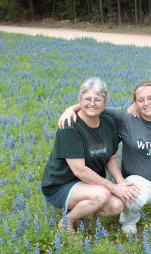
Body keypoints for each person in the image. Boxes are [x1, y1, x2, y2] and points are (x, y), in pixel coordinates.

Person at [58, 81, 151, 234]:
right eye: (140, 100)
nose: (146, 104)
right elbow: (95, 107)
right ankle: (129, 219)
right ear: (135, 102)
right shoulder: (126, 117)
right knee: (128, 194)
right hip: (138, 180)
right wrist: (70, 109)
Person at [41, 77, 140, 232]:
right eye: (87, 99)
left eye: (98, 99)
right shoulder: (70, 126)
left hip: (89, 183)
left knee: (117, 205)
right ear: (80, 100)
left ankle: (82, 209)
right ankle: (67, 222)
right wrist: (112, 187)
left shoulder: (108, 122)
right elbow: (79, 170)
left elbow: (111, 157)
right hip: (62, 183)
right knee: (102, 194)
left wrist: (120, 181)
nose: (92, 103)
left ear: (105, 102)